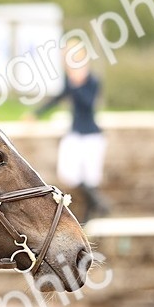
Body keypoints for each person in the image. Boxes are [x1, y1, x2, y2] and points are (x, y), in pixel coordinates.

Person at [31, 41, 111, 221]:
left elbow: (88, 104)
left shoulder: (92, 80)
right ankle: (99, 203)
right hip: (75, 133)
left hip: (92, 134)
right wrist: (36, 113)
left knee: (91, 178)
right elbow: (58, 97)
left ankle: (90, 216)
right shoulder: (71, 80)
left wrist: (77, 83)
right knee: (68, 174)